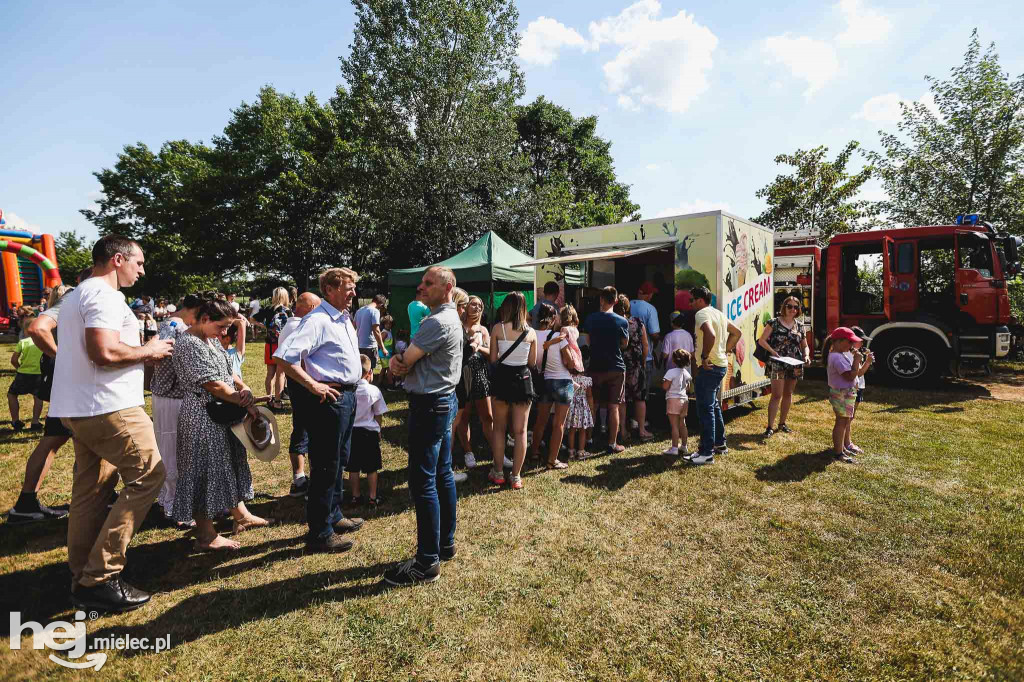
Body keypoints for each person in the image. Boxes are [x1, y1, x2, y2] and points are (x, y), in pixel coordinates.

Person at [50, 235, 174, 613]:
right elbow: (102, 351)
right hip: (110, 407)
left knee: (92, 490)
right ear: (118, 259)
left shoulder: (75, 295)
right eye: (138, 263)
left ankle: (82, 574)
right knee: (149, 476)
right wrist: (149, 351)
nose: (142, 269)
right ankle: (100, 577)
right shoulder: (104, 295)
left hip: (80, 407)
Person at [275, 268, 364, 554]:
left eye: (353, 288)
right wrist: (314, 385)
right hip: (330, 400)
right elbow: (286, 357)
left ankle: (334, 515)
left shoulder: (342, 318)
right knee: (326, 466)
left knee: (340, 459)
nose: (353, 293)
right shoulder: (317, 320)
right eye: (348, 288)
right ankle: (319, 533)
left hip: (347, 397)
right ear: (329, 290)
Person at [171, 299, 271, 550]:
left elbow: (229, 372)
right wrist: (242, 399)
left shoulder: (211, 340)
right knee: (203, 471)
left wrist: (243, 388)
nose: (225, 333)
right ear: (204, 319)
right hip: (201, 416)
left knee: (228, 463)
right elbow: (212, 384)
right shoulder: (188, 343)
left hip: (222, 412)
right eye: (221, 326)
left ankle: (241, 515)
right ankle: (206, 535)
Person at [386, 266, 463, 586]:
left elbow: (404, 365)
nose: (420, 287)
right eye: (421, 282)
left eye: (428, 283)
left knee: (424, 480)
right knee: (442, 474)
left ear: (447, 288)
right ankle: (444, 545)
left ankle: (427, 562)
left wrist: (396, 361)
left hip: (431, 404)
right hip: (443, 400)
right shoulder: (447, 318)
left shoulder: (436, 321)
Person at [6, 274, 89, 524]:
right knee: (82, 443)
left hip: (63, 384)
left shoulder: (63, 311)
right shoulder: (72, 304)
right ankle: (93, 497)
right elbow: (36, 330)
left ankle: (26, 502)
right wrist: (64, 358)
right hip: (70, 384)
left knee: (55, 441)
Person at [151, 293, 207, 526]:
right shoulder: (174, 326)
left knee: (178, 449)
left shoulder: (174, 325)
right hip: (171, 397)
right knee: (173, 449)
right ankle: (173, 504)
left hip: (173, 396)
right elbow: (162, 357)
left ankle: (174, 500)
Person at [487, 291, 537, 488]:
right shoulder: (531, 332)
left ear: (506, 307)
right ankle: (516, 476)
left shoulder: (498, 328)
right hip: (523, 380)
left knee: (499, 429)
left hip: (502, 379)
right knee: (521, 431)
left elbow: (492, 359)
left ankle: (498, 472)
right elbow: (532, 362)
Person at [687, 286, 741, 466]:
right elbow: (737, 333)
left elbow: (709, 334)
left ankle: (706, 452)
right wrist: (725, 351)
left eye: (692, 299)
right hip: (720, 366)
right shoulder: (718, 313)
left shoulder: (701, 314)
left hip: (709, 368)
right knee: (714, 406)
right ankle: (720, 444)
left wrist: (704, 357)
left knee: (705, 409)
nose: (690, 303)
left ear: (700, 300)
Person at [277, 292, 321, 498]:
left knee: (303, 428)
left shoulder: (291, 324)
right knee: (305, 430)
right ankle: (301, 479)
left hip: (298, 384)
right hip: (303, 384)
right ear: (312, 308)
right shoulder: (298, 327)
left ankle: (301, 478)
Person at [582, 286, 629, 454]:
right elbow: (624, 344)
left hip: (595, 366)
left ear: (601, 299)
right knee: (614, 406)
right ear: (616, 301)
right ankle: (612, 443)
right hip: (615, 366)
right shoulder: (622, 321)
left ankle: (588, 439)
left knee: (592, 405)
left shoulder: (591, 318)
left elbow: (587, 341)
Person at [529, 303, 575, 469]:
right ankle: (552, 460)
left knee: (540, 421)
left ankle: (534, 452)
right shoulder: (558, 337)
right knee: (558, 424)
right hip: (562, 381)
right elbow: (569, 361)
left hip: (545, 382)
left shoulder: (532, 335)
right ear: (553, 318)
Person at [758, 295, 811, 439]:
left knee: (788, 394)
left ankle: (782, 424)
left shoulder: (800, 326)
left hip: (795, 364)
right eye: (789, 306)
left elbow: (805, 346)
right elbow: (762, 340)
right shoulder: (774, 323)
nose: (792, 309)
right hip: (777, 363)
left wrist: (806, 356)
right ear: (784, 307)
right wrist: (773, 352)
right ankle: (770, 426)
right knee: (776, 395)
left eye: (795, 307)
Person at [453, 295, 494, 471]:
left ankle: (497, 451)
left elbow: (492, 353)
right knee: (464, 415)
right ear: (466, 306)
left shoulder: (483, 329)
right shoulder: (458, 326)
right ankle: (468, 451)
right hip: (463, 373)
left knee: (488, 416)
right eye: (473, 304)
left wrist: (478, 347)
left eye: (479, 305)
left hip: (480, 372)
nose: (476, 308)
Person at [824, 327, 872, 463]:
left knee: (844, 422)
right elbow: (850, 376)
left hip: (845, 393)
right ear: (839, 341)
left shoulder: (840, 355)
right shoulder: (837, 358)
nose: (852, 345)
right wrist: (857, 360)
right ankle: (838, 452)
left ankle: (841, 449)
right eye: (849, 342)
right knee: (841, 422)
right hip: (842, 393)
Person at [347, 354, 388, 509]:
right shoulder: (374, 390)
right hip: (369, 433)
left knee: (353, 467)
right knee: (372, 468)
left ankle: (355, 496)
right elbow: (378, 413)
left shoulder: (349, 390)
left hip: (352, 432)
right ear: (370, 372)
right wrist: (378, 429)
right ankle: (373, 497)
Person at [614, 295, 653, 442]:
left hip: (620, 365)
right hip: (636, 365)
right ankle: (642, 430)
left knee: (622, 399)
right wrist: (643, 362)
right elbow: (645, 345)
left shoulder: (615, 322)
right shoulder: (637, 322)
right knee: (639, 398)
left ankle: (623, 431)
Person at [8, 315, 44, 431]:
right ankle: (35, 422)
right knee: (38, 398)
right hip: (39, 374)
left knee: (12, 394)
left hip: (23, 374)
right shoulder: (43, 342)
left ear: (26, 330)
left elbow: (13, 360)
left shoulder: (23, 342)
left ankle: (15, 421)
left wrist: (19, 368)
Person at [262, 287, 291, 410]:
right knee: (281, 374)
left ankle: (269, 398)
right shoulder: (289, 311)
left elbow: (253, 319)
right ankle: (278, 401)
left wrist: (265, 328)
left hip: (270, 344)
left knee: (270, 374)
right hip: (283, 345)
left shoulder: (268, 310)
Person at [846, 326, 872, 456]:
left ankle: (846, 442)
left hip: (859, 387)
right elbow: (859, 373)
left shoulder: (856, 353)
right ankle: (847, 443)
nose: (862, 343)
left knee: (850, 417)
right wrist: (868, 362)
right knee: (848, 417)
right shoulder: (851, 355)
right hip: (853, 387)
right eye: (860, 340)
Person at [631, 281, 661, 391]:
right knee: (642, 394)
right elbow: (654, 333)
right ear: (648, 294)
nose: (651, 296)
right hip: (645, 357)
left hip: (627, 356)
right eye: (651, 293)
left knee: (627, 394)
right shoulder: (650, 308)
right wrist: (658, 340)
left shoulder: (627, 304)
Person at [661, 348, 692, 456]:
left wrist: (664, 381)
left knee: (674, 425)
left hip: (673, 400)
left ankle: (674, 448)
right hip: (684, 400)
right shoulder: (687, 373)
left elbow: (665, 386)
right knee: (682, 424)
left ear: (674, 361)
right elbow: (688, 389)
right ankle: (684, 446)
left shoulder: (671, 372)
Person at [355, 294, 388, 373]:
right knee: (369, 371)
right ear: (381, 304)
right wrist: (383, 348)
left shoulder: (359, 311)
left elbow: (353, 327)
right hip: (370, 347)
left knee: (360, 370)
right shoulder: (375, 311)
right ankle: (368, 385)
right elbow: (376, 330)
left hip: (359, 346)